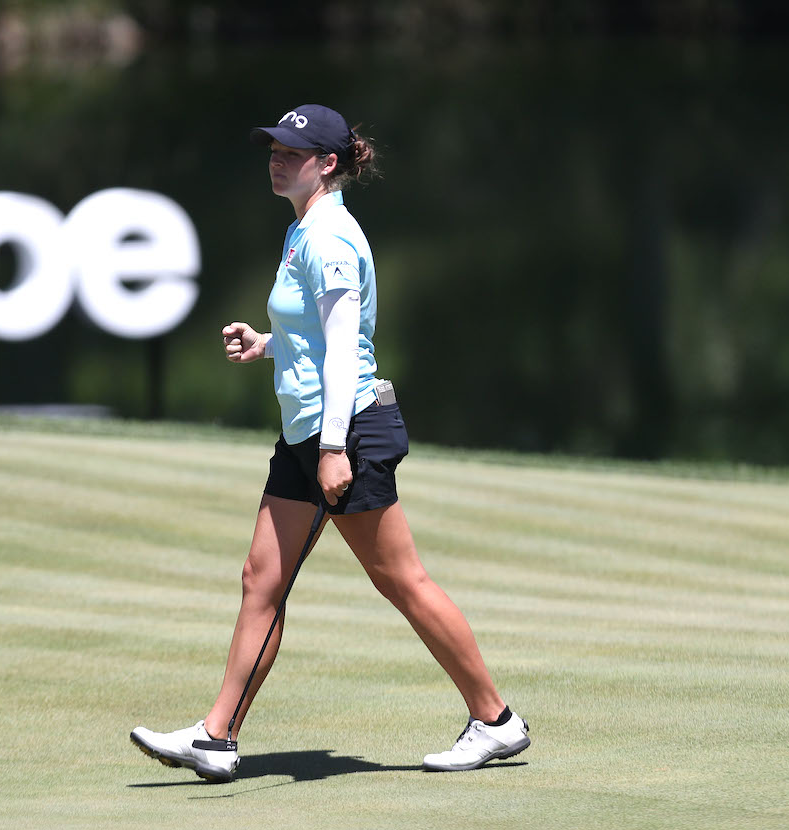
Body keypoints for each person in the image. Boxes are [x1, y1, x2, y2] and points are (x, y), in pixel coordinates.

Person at [130, 104, 529, 782]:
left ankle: (495, 721)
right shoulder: (303, 229)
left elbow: (345, 349)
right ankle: (216, 736)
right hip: (307, 432)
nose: (278, 160)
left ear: (328, 163)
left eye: (293, 152)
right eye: (274, 150)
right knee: (262, 579)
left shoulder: (331, 238)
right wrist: (267, 345)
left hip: (345, 432)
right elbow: (314, 338)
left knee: (401, 580)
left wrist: (335, 448)